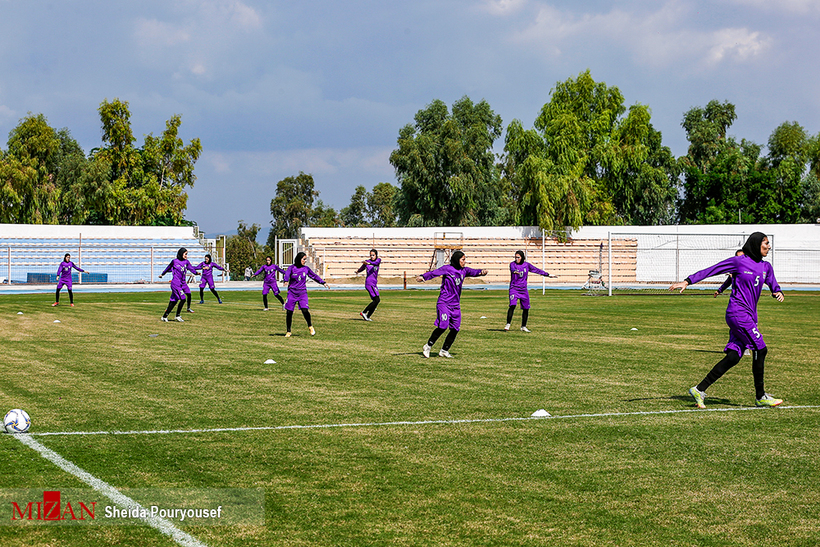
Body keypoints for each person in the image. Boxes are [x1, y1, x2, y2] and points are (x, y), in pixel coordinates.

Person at [669, 232, 785, 408]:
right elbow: (713, 269)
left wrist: (777, 291)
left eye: (769, 244)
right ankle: (761, 396)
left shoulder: (766, 267)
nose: (768, 247)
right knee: (760, 350)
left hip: (750, 317)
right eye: (765, 243)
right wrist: (688, 281)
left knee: (733, 356)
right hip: (738, 314)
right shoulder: (739, 261)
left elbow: (772, 282)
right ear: (755, 244)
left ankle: (699, 389)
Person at [416, 250, 488, 358]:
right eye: (463, 259)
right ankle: (428, 345)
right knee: (443, 326)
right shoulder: (447, 269)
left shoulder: (464, 270)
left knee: (455, 329)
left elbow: (473, 272)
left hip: (455, 305)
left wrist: (481, 272)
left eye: (465, 259)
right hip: (444, 303)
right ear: (456, 260)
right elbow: (434, 273)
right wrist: (423, 277)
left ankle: (444, 350)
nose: (464, 262)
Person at [505, 250, 554, 332]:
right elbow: (512, 269)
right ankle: (508, 324)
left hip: (523, 290)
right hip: (514, 289)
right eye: (515, 257)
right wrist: (514, 271)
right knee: (512, 305)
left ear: (522, 257)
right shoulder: (512, 264)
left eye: (518, 257)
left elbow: (536, 270)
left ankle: (523, 326)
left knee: (526, 308)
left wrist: (548, 275)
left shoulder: (526, 265)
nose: (516, 259)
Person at [283, 252, 329, 337]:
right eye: (304, 259)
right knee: (289, 312)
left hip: (302, 293)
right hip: (292, 293)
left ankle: (310, 326)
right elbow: (287, 274)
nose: (305, 261)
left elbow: (314, 276)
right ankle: (288, 331)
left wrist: (323, 282)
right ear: (299, 259)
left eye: (306, 259)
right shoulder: (292, 268)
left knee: (305, 310)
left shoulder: (306, 269)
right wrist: (285, 280)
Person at [159, 248, 200, 322]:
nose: (186, 256)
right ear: (181, 254)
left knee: (174, 301)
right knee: (183, 298)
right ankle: (177, 316)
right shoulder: (174, 261)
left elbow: (191, 269)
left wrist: (197, 273)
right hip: (176, 284)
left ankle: (164, 317)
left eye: (187, 254)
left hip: (182, 283)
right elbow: (168, 267)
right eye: (185, 254)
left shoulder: (186, 262)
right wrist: (162, 274)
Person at [357, 249, 381, 321]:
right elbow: (362, 267)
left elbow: (376, 263)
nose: (372, 256)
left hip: (374, 283)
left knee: (376, 301)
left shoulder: (378, 260)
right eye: (370, 255)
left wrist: (368, 264)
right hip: (369, 283)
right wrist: (358, 271)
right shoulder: (367, 261)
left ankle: (367, 316)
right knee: (377, 300)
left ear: (376, 255)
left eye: (373, 255)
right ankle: (364, 312)